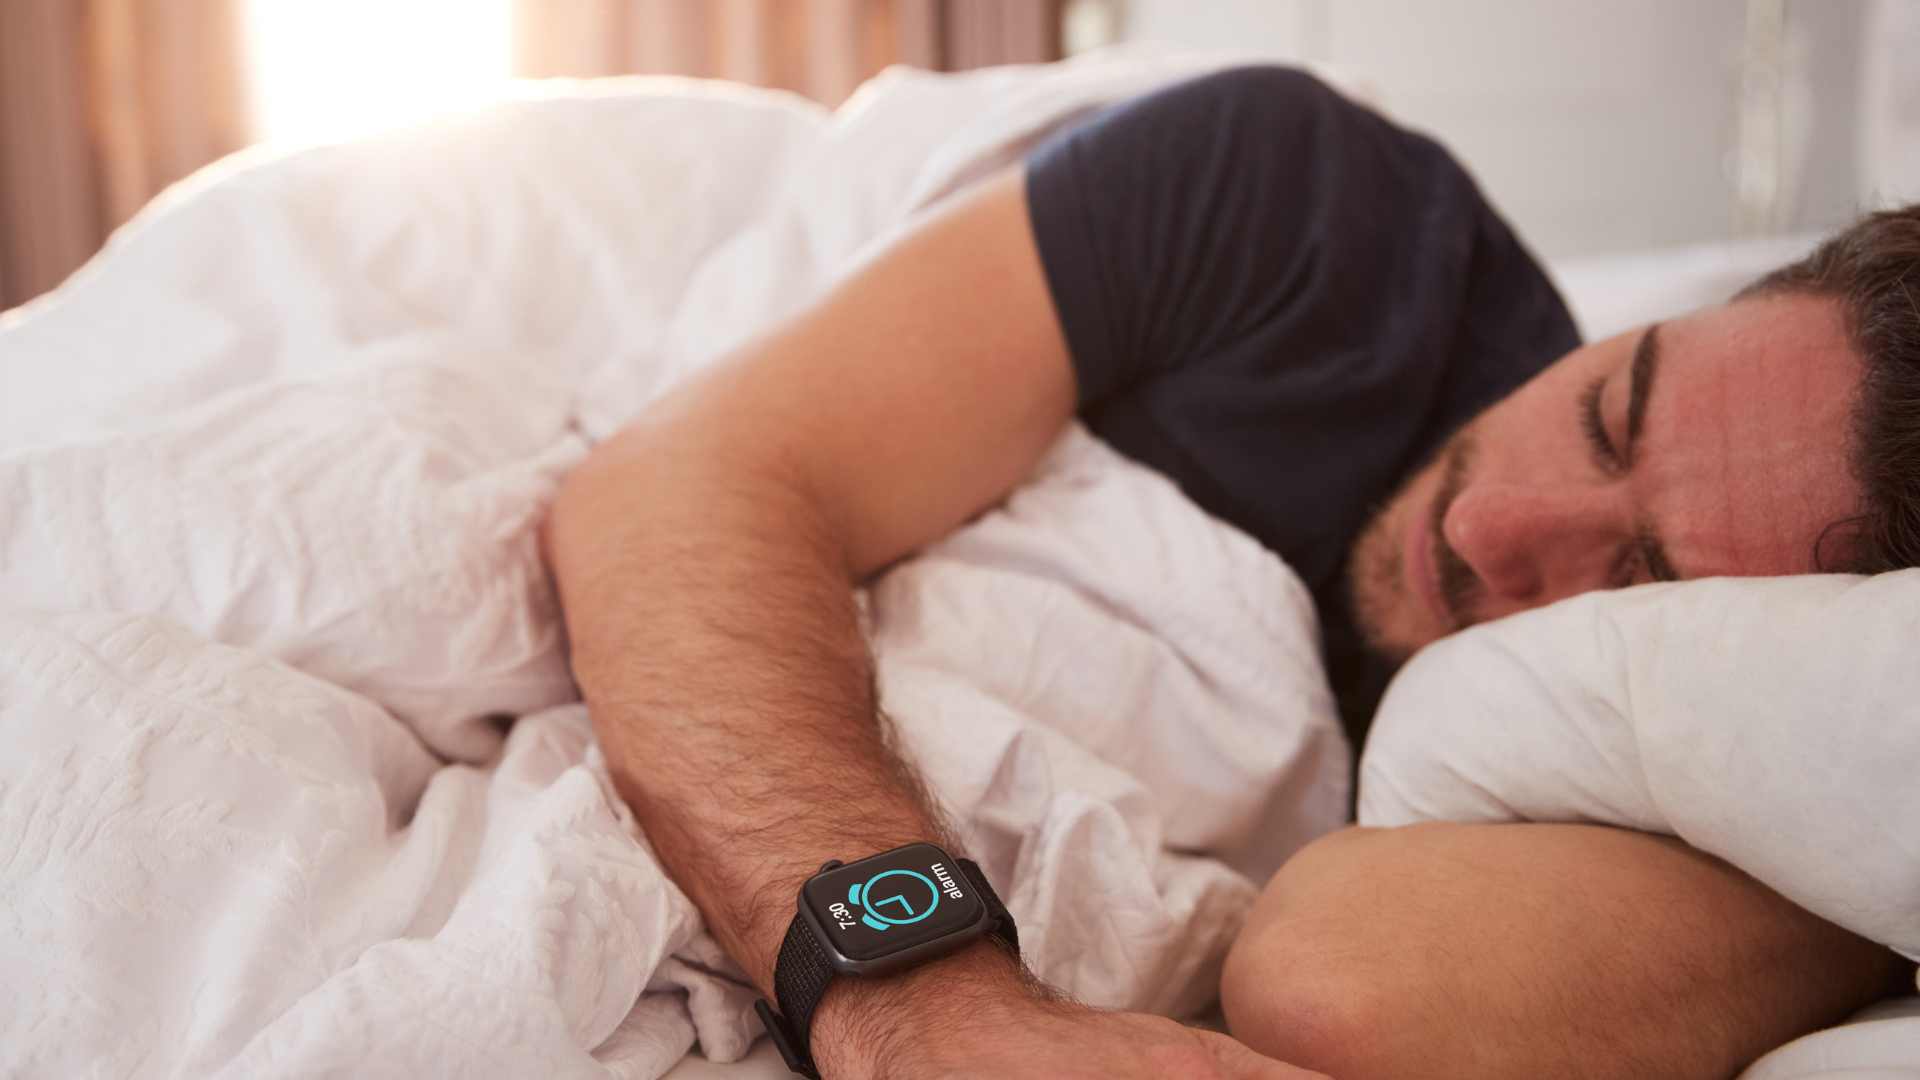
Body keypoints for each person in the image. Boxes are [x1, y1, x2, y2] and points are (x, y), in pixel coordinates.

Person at [541, 66, 1917, 1079]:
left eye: (1638, 574)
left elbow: (1350, 990)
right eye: (1611, 409)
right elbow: (679, 487)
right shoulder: (1320, 213)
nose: (1497, 524)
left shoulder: (1692, 752)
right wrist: (922, 997)